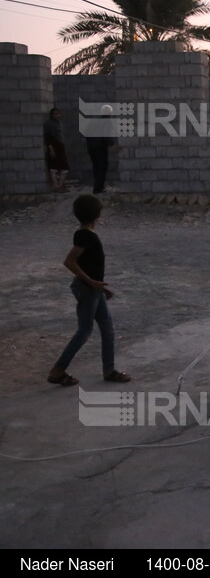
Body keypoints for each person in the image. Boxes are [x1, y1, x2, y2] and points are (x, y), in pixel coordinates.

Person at [47, 194, 131, 386]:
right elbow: (69, 261)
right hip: (87, 289)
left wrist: (100, 288)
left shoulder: (87, 235)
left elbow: (88, 265)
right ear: (97, 214)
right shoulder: (85, 236)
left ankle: (109, 371)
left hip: (93, 289)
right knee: (84, 331)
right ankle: (57, 370)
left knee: (107, 329)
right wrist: (92, 283)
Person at [86, 104, 116, 194]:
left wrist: (91, 143)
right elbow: (106, 135)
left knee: (96, 166)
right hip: (100, 147)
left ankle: (99, 186)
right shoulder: (108, 121)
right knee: (103, 167)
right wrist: (112, 144)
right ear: (110, 113)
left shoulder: (94, 121)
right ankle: (98, 188)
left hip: (91, 147)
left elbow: (86, 133)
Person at [42, 108, 69, 192]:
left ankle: (59, 186)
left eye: (58, 113)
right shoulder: (48, 124)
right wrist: (51, 149)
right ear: (51, 115)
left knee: (64, 167)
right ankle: (56, 186)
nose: (56, 115)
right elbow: (47, 138)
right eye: (54, 114)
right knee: (53, 167)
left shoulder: (59, 123)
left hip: (60, 146)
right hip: (53, 146)